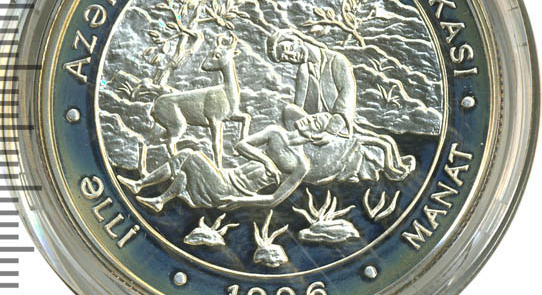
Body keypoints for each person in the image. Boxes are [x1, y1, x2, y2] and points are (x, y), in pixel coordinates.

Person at [117, 111, 415, 213]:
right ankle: (157, 199)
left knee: (189, 155)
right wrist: (266, 161)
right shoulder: (274, 133)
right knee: (187, 167)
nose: (309, 118)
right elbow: (241, 144)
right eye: (313, 115)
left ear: (318, 135)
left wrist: (241, 201)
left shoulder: (300, 165)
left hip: (231, 191)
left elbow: (274, 199)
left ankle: (142, 186)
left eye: (316, 122)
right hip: (226, 175)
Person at [266, 29, 356, 145]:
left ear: (297, 40)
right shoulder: (304, 71)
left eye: (290, 49)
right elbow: (298, 107)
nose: (292, 56)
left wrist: (331, 130)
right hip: (312, 126)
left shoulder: (336, 60)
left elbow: (347, 93)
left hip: (335, 125)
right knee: (289, 111)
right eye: (286, 58)